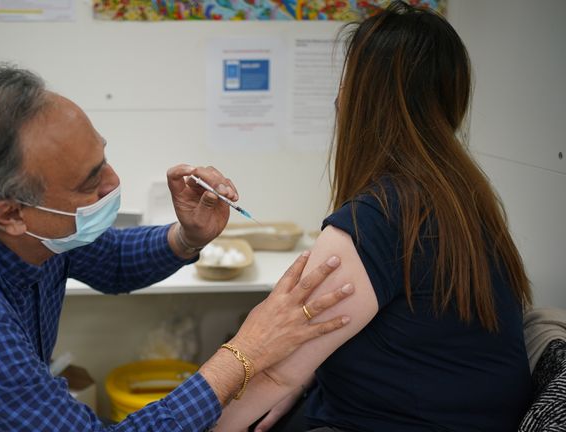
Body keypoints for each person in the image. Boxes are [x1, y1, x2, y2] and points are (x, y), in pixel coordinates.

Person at [0, 65, 355, 431]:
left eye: (103, 157)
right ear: (11, 214)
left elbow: (107, 259)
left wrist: (186, 237)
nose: (114, 183)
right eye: (91, 180)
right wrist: (248, 349)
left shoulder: (13, 223)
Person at [213, 2, 534, 431]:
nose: (337, 95)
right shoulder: (466, 199)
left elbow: (274, 371)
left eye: (346, 80)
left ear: (362, 97)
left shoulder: (375, 220)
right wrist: (302, 375)